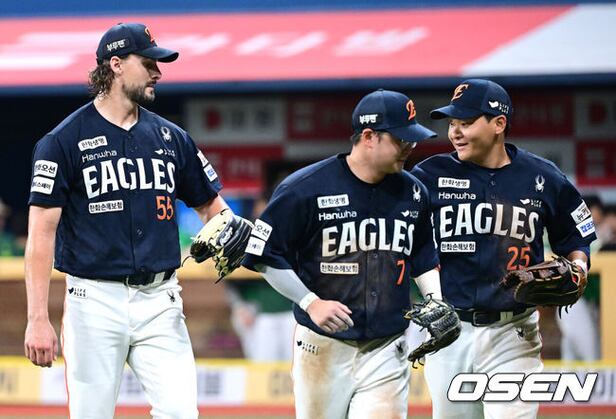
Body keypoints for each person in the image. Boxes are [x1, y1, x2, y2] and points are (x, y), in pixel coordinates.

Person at [23, 22, 244, 419]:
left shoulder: (171, 138)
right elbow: (41, 234)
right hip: (94, 301)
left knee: (181, 413)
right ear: (116, 64)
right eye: (148, 63)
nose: (158, 73)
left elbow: (212, 206)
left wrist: (230, 227)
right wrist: (37, 318)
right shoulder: (63, 141)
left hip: (161, 300)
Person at [242, 89, 449, 418]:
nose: (410, 147)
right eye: (401, 139)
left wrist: (435, 300)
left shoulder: (414, 191)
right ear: (368, 137)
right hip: (323, 345)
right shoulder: (305, 188)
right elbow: (264, 255)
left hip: (387, 346)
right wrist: (311, 302)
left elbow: (423, 253)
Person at [410, 79, 597, 419]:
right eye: (452, 123)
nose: (455, 132)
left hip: (514, 331)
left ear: (499, 124)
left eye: (466, 122)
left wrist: (579, 267)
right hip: (450, 331)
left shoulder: (543, 177)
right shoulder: (429, 175)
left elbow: (576, 238)